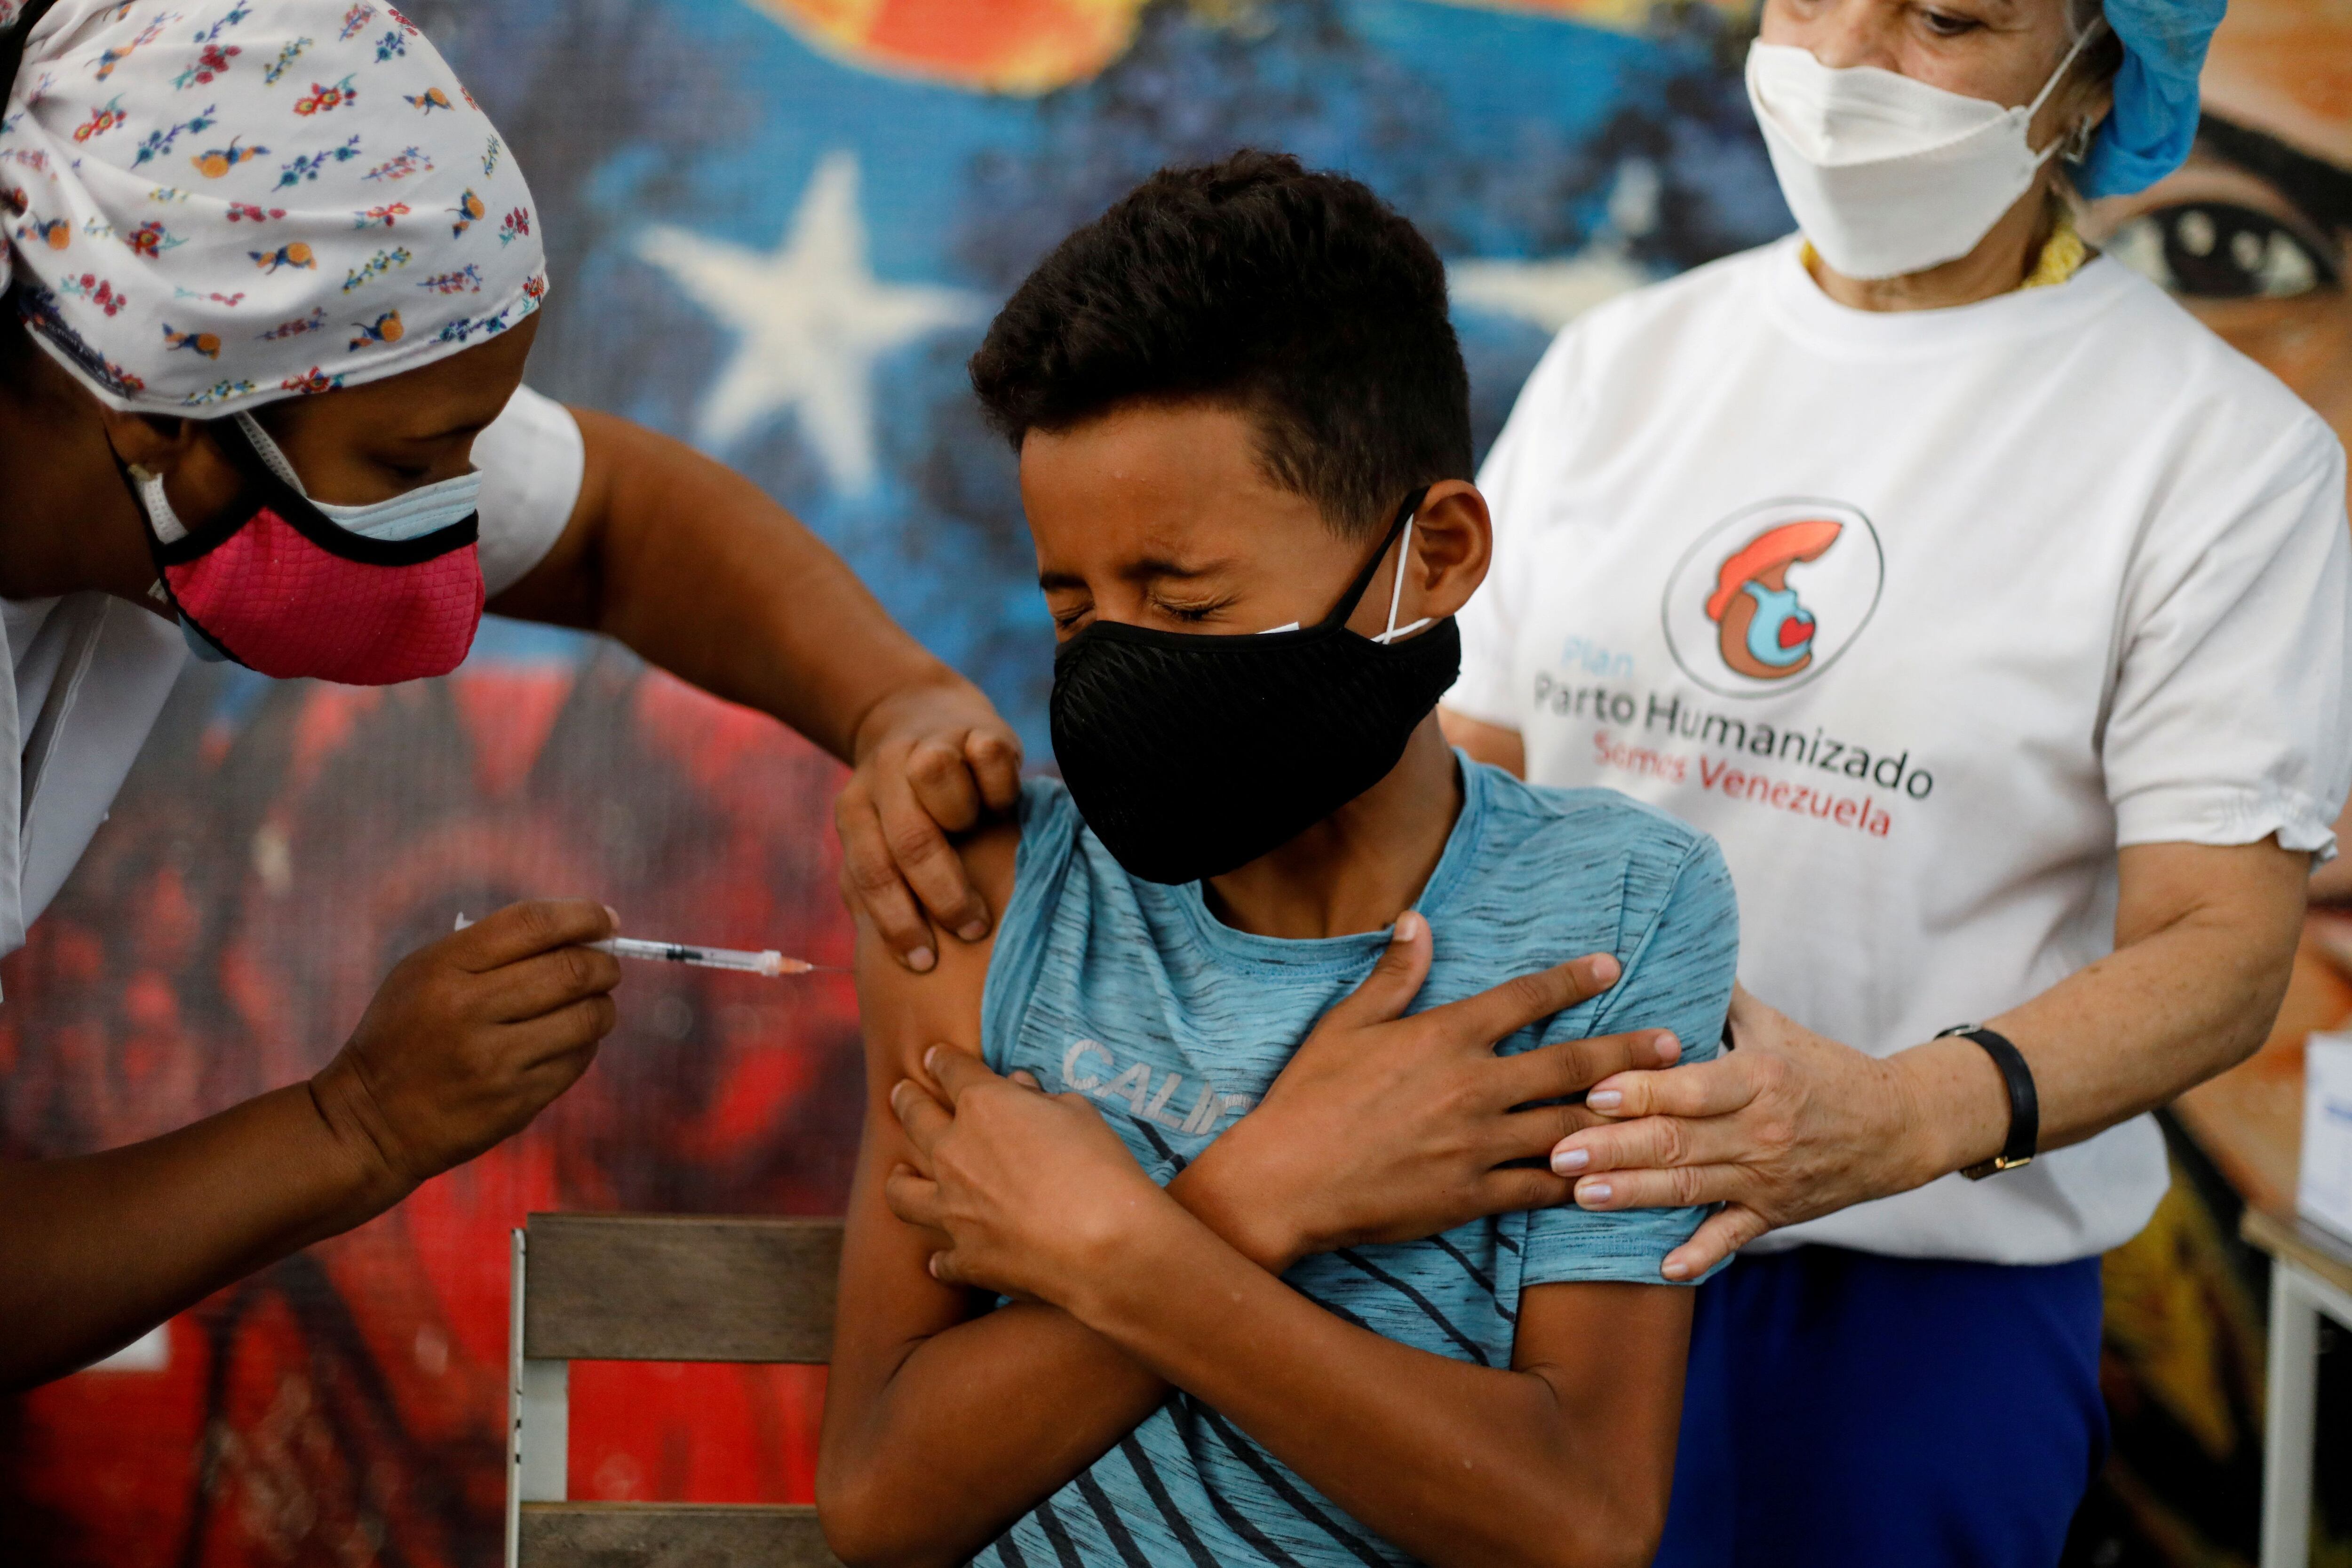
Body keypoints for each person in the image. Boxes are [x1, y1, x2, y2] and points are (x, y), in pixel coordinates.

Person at [1435, 0, 2351, 1560]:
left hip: (1915, 1324)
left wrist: (1896, 1116)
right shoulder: (1624, 371)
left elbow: (2219, 954)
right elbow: (1466, 785)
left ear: (2099, 78)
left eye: (1945, 19)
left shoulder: (2217, 459)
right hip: (1523, 1248)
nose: (1847, 64)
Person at [0, 0, 1019, 1389]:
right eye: (418, 458)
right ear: (159, 416)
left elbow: (619, 525)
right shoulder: (197, 381)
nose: (461, 509)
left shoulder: (179, 404)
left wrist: (894, 703)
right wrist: (356, 1127)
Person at [816, 153, 1739, 1568]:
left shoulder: (1613, 912)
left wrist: (1122, 1252)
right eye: (1074, 610)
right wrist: (1265, 1197)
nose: (1119, 661)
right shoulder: (978, 895)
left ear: (1432, 555)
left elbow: (1578, 1518)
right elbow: (884, 1497)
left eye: (1181, 600)